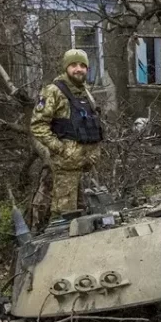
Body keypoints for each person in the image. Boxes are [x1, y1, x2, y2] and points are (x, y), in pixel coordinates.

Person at [29, 49, 102, 224]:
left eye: (83, 65)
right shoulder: (53, 91)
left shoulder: (85, 92)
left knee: (87, 213)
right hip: (66, 165)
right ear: (66, 67)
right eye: (74, 65)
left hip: (87, 164)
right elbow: (38, 125)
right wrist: (60, 148)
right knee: (65, 215)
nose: (79, 69)